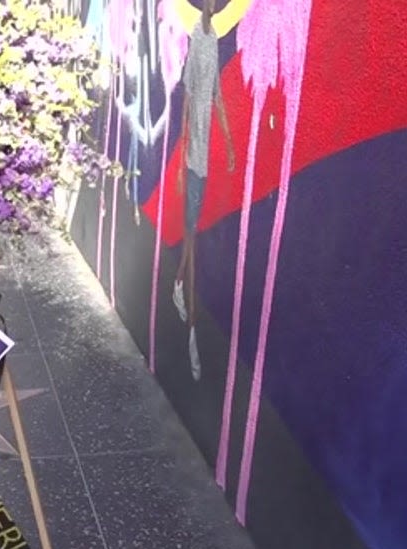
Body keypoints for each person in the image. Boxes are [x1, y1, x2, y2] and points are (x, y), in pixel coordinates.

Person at [174, 0, 234, 381]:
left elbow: (216, 95)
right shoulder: (197, 39)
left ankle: (180, 286)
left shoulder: (213, 43)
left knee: (193, 228)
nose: (212, 5)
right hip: (194, 145)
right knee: (192, 227)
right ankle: (185, 301)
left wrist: (227, 142)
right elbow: (188, 100)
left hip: (206, 144)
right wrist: (181, 162)